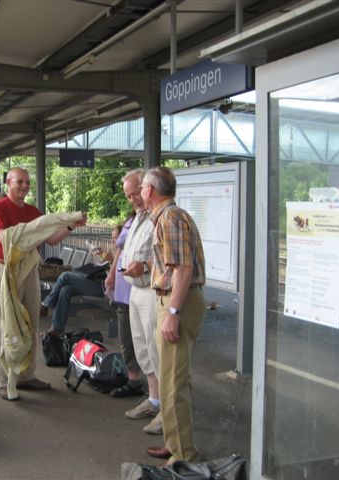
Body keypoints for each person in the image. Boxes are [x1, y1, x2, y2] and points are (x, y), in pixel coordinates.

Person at [0, 167, 85, 400]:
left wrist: (70, 225)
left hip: (30, 269)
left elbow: (50, 238)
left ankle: (26, 375)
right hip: (5, 269)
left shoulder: (33, 211)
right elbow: (2, 235)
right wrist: (33, 230)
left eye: (27, 182)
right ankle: (1, 381)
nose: (24, 186)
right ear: (8, 184)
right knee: (5, 323)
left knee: (30, 320)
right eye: (19, 182)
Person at [141, 166, 207, 464]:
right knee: (172, 377)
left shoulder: (170, 218)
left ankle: (183, 456)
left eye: (142, 187)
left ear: (149, 190)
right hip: (173, 300)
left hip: (178, 301)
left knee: (172, 383)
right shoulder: (169, 217)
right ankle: (175, 442)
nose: (140, 192)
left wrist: (173, 312)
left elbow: (183, 269)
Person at [118, 168, 162, 436]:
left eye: (136, 192)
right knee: (143, 348)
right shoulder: (138, 217)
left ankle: (166, 410)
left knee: (156, 350)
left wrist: (143, 267)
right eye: (128, 195)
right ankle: (153, 400)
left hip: (151, 290)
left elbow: (169, 257)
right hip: (135, 290)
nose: (133, 198)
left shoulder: (160, 217)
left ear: (148, 188)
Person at [40, 225, 121, 336]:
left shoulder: (123, 253)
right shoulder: (113, 251)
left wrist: (111, 261)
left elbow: (117, 275)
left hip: (105, 289)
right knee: (66, 290)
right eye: (112, 238)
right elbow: (102, 268)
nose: (112, 241)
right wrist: (100, 258)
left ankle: (46, 304)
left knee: (65, 276)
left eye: (115, 237)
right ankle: (56, 328)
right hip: (98, 282)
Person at [104, 212, 145, 399]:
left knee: (144, 339)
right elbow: (120, 250)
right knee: (126, 336)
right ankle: (133, 379)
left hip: (140, 288)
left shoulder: (152, 220)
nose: (134, 199)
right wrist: (112, 274)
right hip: (123, 288)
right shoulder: (130, 221)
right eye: (129, 197)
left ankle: (154, 387)